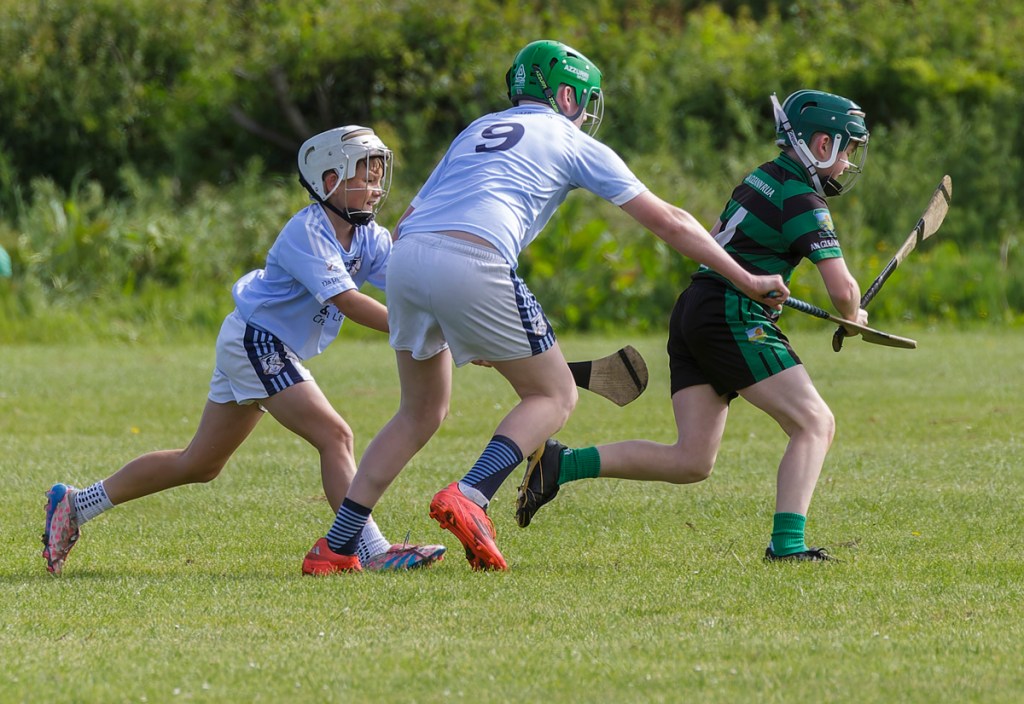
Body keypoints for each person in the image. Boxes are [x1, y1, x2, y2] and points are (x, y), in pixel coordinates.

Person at [304, 40, 789, 573]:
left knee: (419, 412)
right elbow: (670, 221)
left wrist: (458, 316)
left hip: (409, 259)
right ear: (566, 95)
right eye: (584, 100)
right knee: (554, 394)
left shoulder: (477, 128)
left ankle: (336, 547)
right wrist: (744, 278)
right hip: (475, 259)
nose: (585, 112)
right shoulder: (567, 137)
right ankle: (471, 493)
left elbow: (406, 221)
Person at [41, 125, 446, 576]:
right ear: (330, 181)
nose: (375, 189)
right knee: (335, 435)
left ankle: (76, 504)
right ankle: (371, 549)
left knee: (200, 464)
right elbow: (348, 302)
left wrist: (455, 314)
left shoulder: (368, 236)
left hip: (261, 343)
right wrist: (418, 325)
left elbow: (407, 285)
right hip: (257, 340)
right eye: (365, 178)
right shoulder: (307, 232)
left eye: (378, 178)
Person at [516, 89, 872, 562]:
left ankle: (561, 464)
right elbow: (843, 291)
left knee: (692, 460)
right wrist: (852, 317)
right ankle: (787, 546)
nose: (847, 164)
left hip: (695, 308)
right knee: (814, 423)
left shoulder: (763, 177)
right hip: (730, 313)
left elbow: (730, 242)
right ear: (822, 144)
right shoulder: (803, 198)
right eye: (846, 149)